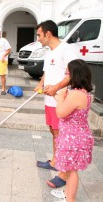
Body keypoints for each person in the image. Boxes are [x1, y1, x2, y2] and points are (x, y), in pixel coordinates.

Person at [34, 20, 78, 188]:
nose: (38, 38)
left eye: (39, 35)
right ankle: (55, 161)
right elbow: (47, 72)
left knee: (62, 136)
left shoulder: (66, 50)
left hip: (61, 100)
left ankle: (64, 174)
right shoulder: (49, 52)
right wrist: (41, 84)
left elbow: (73, 74)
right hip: (49, 100)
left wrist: (56, 88)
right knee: (54, 132)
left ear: (48, 34)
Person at [51, 59, 94, 202]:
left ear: (75, 74)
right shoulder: (82, 92)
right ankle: (67, 194)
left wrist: (62, 95)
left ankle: (70, 199)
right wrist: (55, 95)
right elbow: (67, 106)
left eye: (67, 73)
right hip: (76, 137)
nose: (66, 75)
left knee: (72, 171)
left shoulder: (76, 94)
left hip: (73, 139)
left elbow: (61, 112)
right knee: (70, 170)